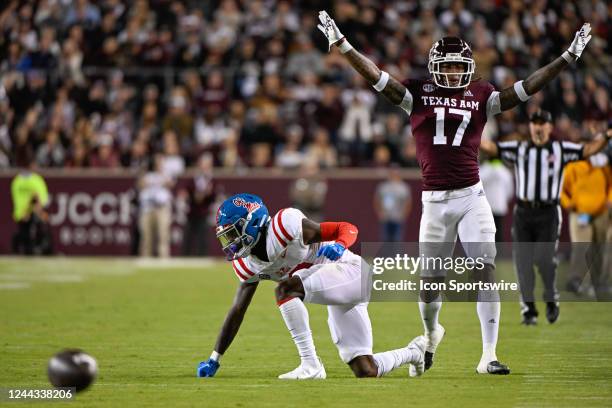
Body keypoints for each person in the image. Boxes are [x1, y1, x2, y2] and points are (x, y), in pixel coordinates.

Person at [318, 10, 592, 374]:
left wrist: (567, 57)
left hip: (470, 197)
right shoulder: (415, 93)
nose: (450, 73)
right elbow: (376, 77)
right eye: (445, 67)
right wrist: (344, 45)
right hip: (434, 202)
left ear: (467, 66)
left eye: (456, 67)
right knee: (430, 286)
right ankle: (430, 336)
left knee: (485, 270)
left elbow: (526, 88)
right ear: (434, 67)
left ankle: (488, 355)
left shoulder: (481, 94)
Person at [197, 193, 426, 379]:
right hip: (338, 286)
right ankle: (413, 353)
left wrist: (339, 245)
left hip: (351, 271)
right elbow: (238, 311)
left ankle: (311, 364)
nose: (232, 243)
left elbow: (346, 228)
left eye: (234, 233)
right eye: (228, 237)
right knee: (365, 369)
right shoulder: (248, 264)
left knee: (285, 289)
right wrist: (215, 358)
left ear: (253, 223)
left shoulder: (284, 225)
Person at [481, 112, 611, 323]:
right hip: (523, 212)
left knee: (544, 260)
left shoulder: (561, 149)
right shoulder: (519, 148)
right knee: (522, 262)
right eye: (535, 123)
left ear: (550, 128)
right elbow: (492, 147)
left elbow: (587, 150)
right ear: (530, 127)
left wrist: (605, 136)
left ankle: (550, 298)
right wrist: (466, 130)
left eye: (542, 123)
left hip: (548, 212)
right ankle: (529, 310)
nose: (538, 127)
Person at [560, 139, 612, 300]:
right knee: (582, 247)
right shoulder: (573, 166)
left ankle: (599, 282)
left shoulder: (602, 165)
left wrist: (610, 199)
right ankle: (576, 280)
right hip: (580, 213)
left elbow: (611, 185)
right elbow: (562, 189)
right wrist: (567, 204)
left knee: (599, 248)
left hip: (600, 213)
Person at [11, 159, 53, 255]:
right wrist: (23, 213)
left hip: (32, 213)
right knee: (24, 235)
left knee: (40, 231)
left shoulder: (35, 180)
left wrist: (39, 212)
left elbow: (41, 200)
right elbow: (17, 200)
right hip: (23, 214)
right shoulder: (18, 181)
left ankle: (37, 250)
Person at [138, 155, 174, 257]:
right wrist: (144, 171)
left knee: (163, 235)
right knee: (146, 235)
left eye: (160, 162)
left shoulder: (166, 174)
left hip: (162, 207)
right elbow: (140, 184)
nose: (158, 164)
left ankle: (164, 257)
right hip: (148, 208)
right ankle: (145, 257)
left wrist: (162, 174)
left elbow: (170, 183)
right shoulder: (148, 175)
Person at [182, 153, 217, 256]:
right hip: (192, 211)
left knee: (203, 237)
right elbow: (187, 191)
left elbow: (213, 196)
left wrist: (207, 194)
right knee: (188, 237)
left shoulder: (211, 180)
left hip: (204, 212)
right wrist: (194, 195)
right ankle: (185, 257)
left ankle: (202, 256)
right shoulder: (194, 178)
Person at [479, 158, 514, 242]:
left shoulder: (482, 170)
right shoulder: (505, 172)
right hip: (496, 207)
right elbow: (510, 191)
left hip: (487, 207)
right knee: (496, 232)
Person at [374, 167, 411, 242]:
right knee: (385, 238)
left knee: (397, 239)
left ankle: (395, 253)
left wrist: (404, 214)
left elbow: (408, 202)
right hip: (386, 216)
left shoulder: (403, 187)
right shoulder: (383, 186)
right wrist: (380, 213)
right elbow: (377, 200)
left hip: (398, 217)